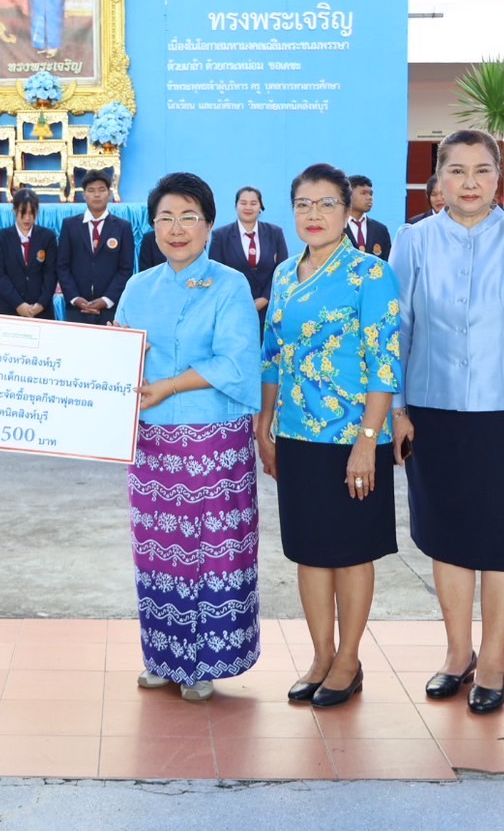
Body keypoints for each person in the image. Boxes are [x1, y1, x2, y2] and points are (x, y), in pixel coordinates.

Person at [389, 130, 504, 714]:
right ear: (436, 179)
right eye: (457, 171)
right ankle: (457, 652)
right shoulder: (413, 241)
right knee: (447, 535)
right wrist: (395, 409)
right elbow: (399, 330)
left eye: (483, 171)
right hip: (432, 412)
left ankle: (493, 658)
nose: (470, 183)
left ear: (499, 178)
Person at [114, 172, 262, 703]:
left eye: (189, 218)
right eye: (165, 218)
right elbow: (120, 351)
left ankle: (204, 662)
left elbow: (236, 360)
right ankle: (162, 657)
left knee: (211, 551)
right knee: (160, 553)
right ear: (152, 226)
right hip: (153, 442)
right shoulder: (138, 286)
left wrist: (170, 386)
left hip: (212, 439)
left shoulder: (229, 283)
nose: (176, 229)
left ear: (208, 224)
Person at [257, 164, 401, 708]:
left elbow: (385, 365)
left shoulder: (371, 274)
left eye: (324, 204)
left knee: (350, 551)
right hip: (295, 434)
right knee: (310, 552)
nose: (313, 215)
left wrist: (368, 441)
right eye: (302, 204)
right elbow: (272, 356)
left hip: (352, 437)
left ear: (347, 212)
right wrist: (263, 425)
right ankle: (320, 654)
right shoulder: (284, 275)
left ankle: (348, 659)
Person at [209, 185, 290, 330]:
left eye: (253, 203)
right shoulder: (220, 236)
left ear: (260, 207)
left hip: (270, 310)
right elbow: (215, 274)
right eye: (243, 203)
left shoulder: (275, 233)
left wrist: (265, 299)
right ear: (236, 206)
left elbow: (283, 271)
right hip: (232, 311)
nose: (248, 207)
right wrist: (240, 304)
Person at [57, 169, 133, 324]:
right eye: (91, 190)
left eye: (101, 190)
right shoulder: (70, 225)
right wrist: (75, 298)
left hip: (110, 309)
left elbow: (125, 269)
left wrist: (107, 299)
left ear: (109, 193)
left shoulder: (122, 227)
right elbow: (62, 266)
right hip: (76, 309)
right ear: (84, 194)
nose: (96, 195)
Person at [0, 187, 58, 318]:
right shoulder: (0, 238)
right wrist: (19, 304)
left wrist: (41, 304)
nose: (27, 218)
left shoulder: (48, 237)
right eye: (23, 213)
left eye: (32, 213)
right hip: (8, 308)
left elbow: (51, 274)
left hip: (41, 310)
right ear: (14, 210)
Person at [344, 175, 391, 260]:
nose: (369, 198)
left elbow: (386, 263)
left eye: (371, 194)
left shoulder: (380, 230)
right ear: (349, 195)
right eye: (363, 193)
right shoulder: (337, 227)